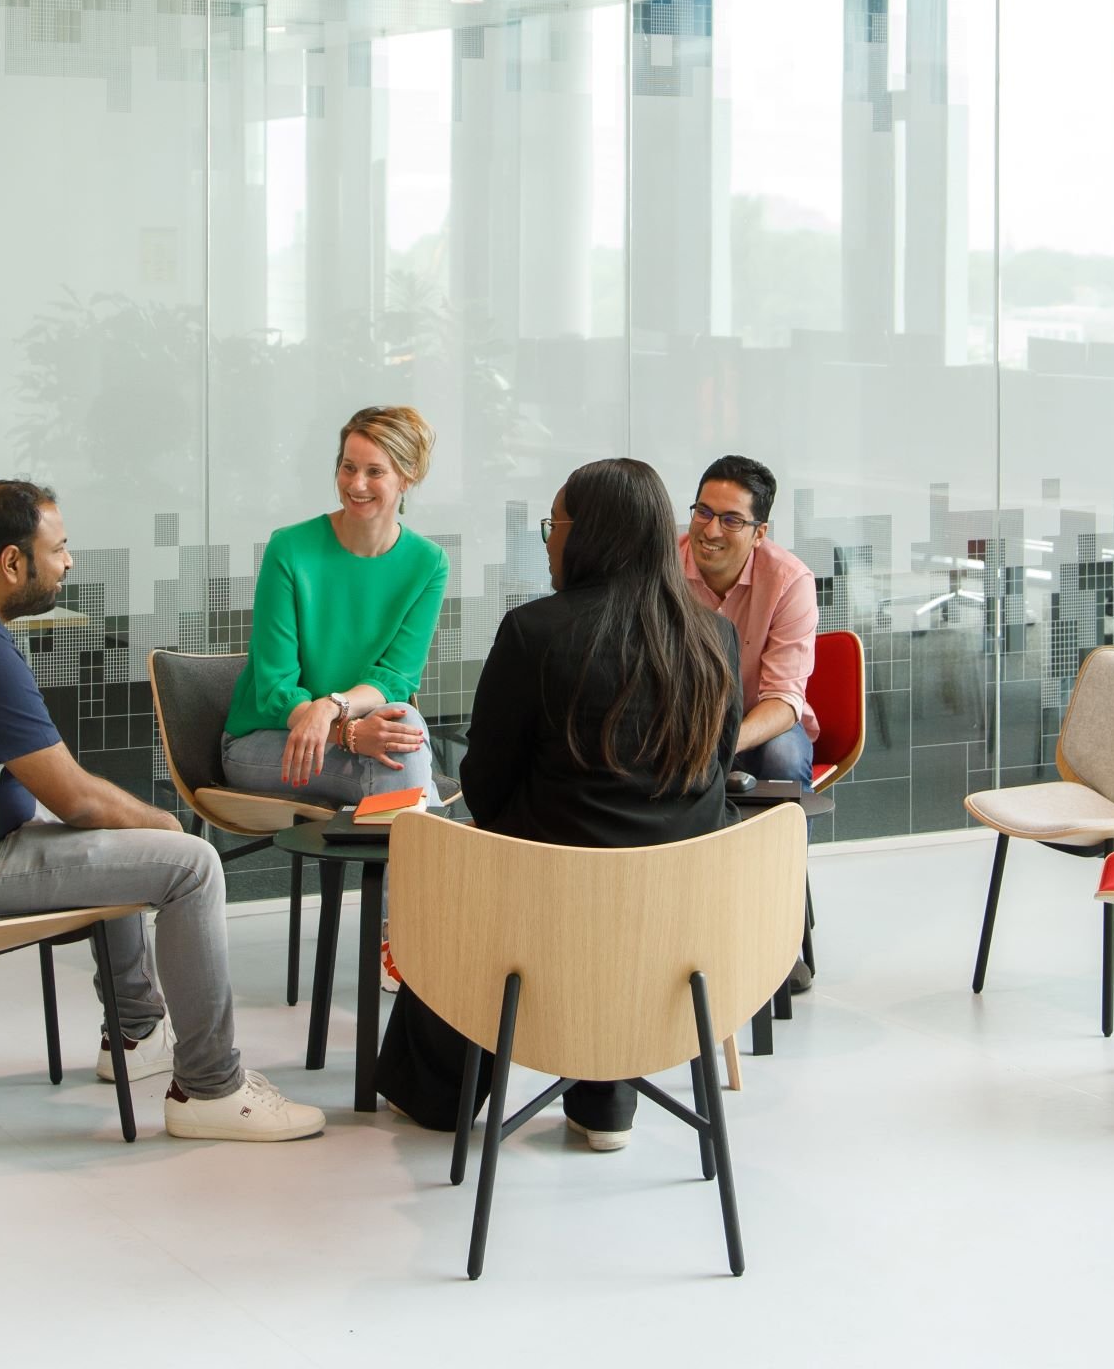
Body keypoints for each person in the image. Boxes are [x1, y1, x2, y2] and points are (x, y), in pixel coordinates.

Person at [0, 479, 323, 1144]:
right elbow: (77, 797)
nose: (68, 562)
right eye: (58, 549)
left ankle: (137, 1033)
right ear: (12, 562)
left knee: (114, 836)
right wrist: (166, 824)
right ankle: (211, 1089)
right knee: (189, 864)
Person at [377, 457, 740, 1153]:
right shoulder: (714, 638)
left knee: (475, 880)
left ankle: (437, 1096)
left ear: (589, 535)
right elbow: (715, 776)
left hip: (542, 916)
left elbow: (485, 785)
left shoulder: (533, 632)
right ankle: (605, 1100)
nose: (548, 541)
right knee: (617, 877)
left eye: (555, 525)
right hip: (676, 920)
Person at [221, 404, 449, 809]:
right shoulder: (290, 549)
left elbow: (395, 678)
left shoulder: (428, 563)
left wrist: (332, 707)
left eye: (375, 471)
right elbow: (276, 686)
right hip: (267, 739)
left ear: (406, 477)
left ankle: (412, 846)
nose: (356, 484)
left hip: (349, 727)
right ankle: (430, 846)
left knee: (404, 723)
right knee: (401, 767)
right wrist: (348, 734)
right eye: (348, 467)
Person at [680, 453, 820, 787]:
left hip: (759, 721)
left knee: (783, 757)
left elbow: (783, 698)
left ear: (759, 533)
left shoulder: (789, 582)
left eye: (732, 520)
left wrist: (722, 746)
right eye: (703, 512)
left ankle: (784, 827)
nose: (711, 530)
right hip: (681, 718)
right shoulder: (661, 564)